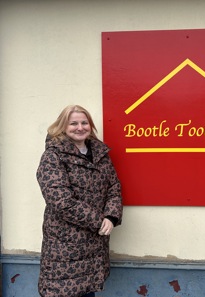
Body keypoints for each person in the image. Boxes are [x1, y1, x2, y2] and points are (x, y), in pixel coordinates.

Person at [36, 105, 123, 297]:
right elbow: (61, 202)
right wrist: (99, 221)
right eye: (73, 123)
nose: (80, 127)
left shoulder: (100, 154)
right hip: (65, 246)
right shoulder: (53, 156)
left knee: (87, 291)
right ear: (63, 126)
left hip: (95, 245)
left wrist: (111, 216)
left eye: (84, 122)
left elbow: (114, 188)